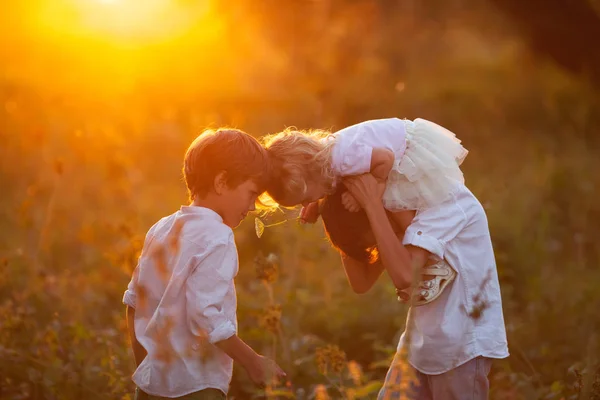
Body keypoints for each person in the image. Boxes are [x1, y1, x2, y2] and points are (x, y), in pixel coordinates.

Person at [123, 128, 286, 400]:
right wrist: (253, 360)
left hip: (151, 384)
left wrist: (146, 366)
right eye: (251, 193)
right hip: (197, 386)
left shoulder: (161, 229)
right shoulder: (218, 237)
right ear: (222, 182)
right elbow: (205, 316)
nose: (253, 207)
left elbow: (133, 303)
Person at [320, 174, 509, 400]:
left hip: (461, 348)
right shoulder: (396, 210)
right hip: (419, 348)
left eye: (369, 242)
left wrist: (371, 205)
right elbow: (361, 282)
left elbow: (404, 275)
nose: (372, 248)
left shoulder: (443, 202)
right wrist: (333, 218)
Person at [261, 118, 468, 223]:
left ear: (311, 172)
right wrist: (315, 203)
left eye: (304, 199)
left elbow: (385, 159)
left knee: (398, 206)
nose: (305, 204)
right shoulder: (320, 159)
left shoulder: (343, 159)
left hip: (406, 149)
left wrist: (365, 194)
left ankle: (427, 259)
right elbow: (317, 181)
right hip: (393, 145)